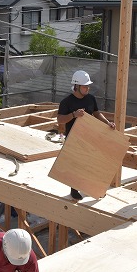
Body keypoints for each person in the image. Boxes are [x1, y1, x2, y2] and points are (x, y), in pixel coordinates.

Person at [56, 70, 116, 200]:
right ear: (77, 86)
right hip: (73, 138)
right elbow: (60, 120)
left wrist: (107, 123)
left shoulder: (91, 99)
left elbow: (96, 113)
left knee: (92, 163)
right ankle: (74, 190)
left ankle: (94, 189)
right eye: (85, 86)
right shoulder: (67, 102)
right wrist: (73, 115)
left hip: (89, 136)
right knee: (76, 166)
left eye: (88, 86)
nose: (88, 88)